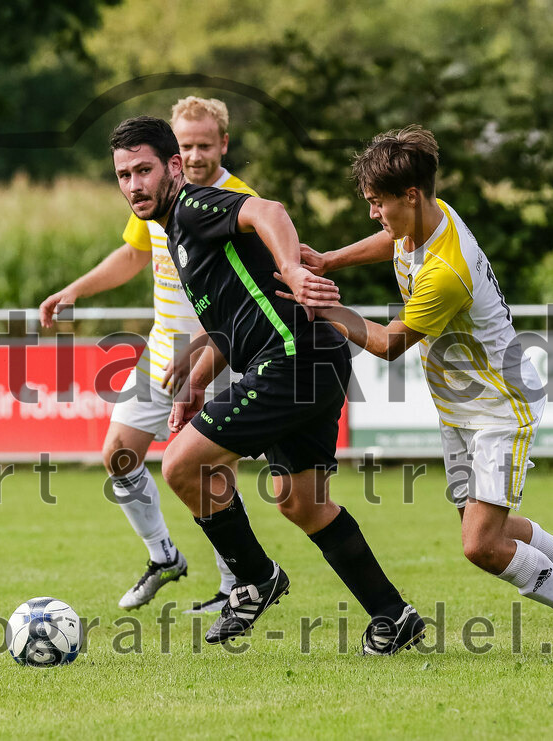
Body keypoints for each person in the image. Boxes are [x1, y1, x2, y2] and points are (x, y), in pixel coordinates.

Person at [286, 125, 553, 655]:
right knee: (483, 522)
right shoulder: (426, 220)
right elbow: (392, 239)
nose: (374, 213)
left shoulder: (446, 268)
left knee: (481, 544)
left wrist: (322, 304)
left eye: (379, 203)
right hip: (461, 407)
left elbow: (388, 343)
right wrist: (329, 261)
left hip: (498, 406)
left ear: (411, 195)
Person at [109, 115, 427, 653]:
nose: (135, 185)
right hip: (311, 359)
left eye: (144, 169)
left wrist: (294, 269)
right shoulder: (177, 236)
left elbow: (267, 210)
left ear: (175, 166)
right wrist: (197, 382)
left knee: (182, 465)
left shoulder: (194, 206)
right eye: (123, 175)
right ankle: (393, 616)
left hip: (292, 359)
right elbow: (233, 320)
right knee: (302, 503)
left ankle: (254, 578)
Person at [40, 97, 256, 613]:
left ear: (223, 144)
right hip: (163, 349)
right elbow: (136, 253)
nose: (196, 154)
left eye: (205, 144)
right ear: (173, 153)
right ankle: (164, 558)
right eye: (186, 144)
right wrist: (76, 290)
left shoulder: (237, 200)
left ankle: (234, 585)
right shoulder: (157, 198)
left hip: (219, 351)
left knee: (207, 470)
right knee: (118, 455)